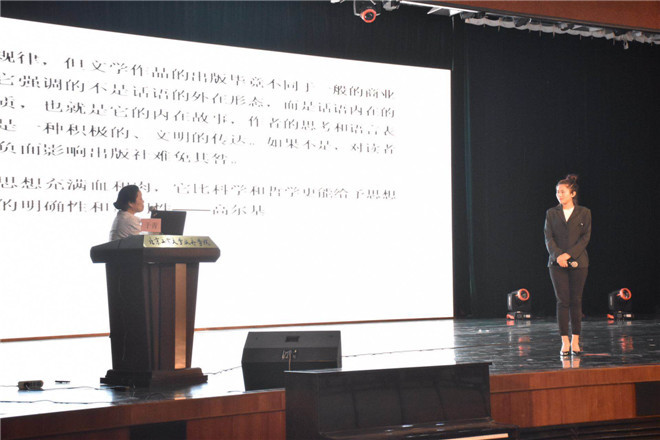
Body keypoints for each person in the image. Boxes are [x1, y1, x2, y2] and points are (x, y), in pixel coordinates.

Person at [544, 174, 591, 356]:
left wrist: (569, 255)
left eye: (562, 191)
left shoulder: (584, 212)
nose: (559, 195)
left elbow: (585, 238)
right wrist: (558, 256)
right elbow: (548, 238)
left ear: (572, 193)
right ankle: (564, 341)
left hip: (578, 262)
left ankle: (576, 340)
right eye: (557, 192)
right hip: (557, 263)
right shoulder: (551, 213)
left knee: (576, 300)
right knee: (562, 301)